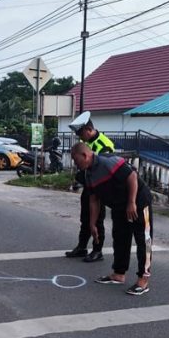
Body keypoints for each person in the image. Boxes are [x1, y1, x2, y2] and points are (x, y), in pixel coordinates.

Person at [71, 142, 154, 296]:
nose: (75, 164)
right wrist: (92, 224)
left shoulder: (107, 162)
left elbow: (132, 177)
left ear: (85, 155)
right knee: (120, 237)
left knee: (144, 240)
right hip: (118, 206)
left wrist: (131, 203)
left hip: (138, 201)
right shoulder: (88, 174)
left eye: (76, 160)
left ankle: (143, 279)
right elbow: (94, 200)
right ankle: (119, 274)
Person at [65, 111, 115, 262]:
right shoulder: (87, 143)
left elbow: (102, 169)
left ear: (88, 129)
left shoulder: (104, 145)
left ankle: (97, 250)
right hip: (88, 185)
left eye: (81, 134)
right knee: (85, 217)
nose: (80, 137)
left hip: (100, 186)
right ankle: (82, 247)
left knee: (97, 219)